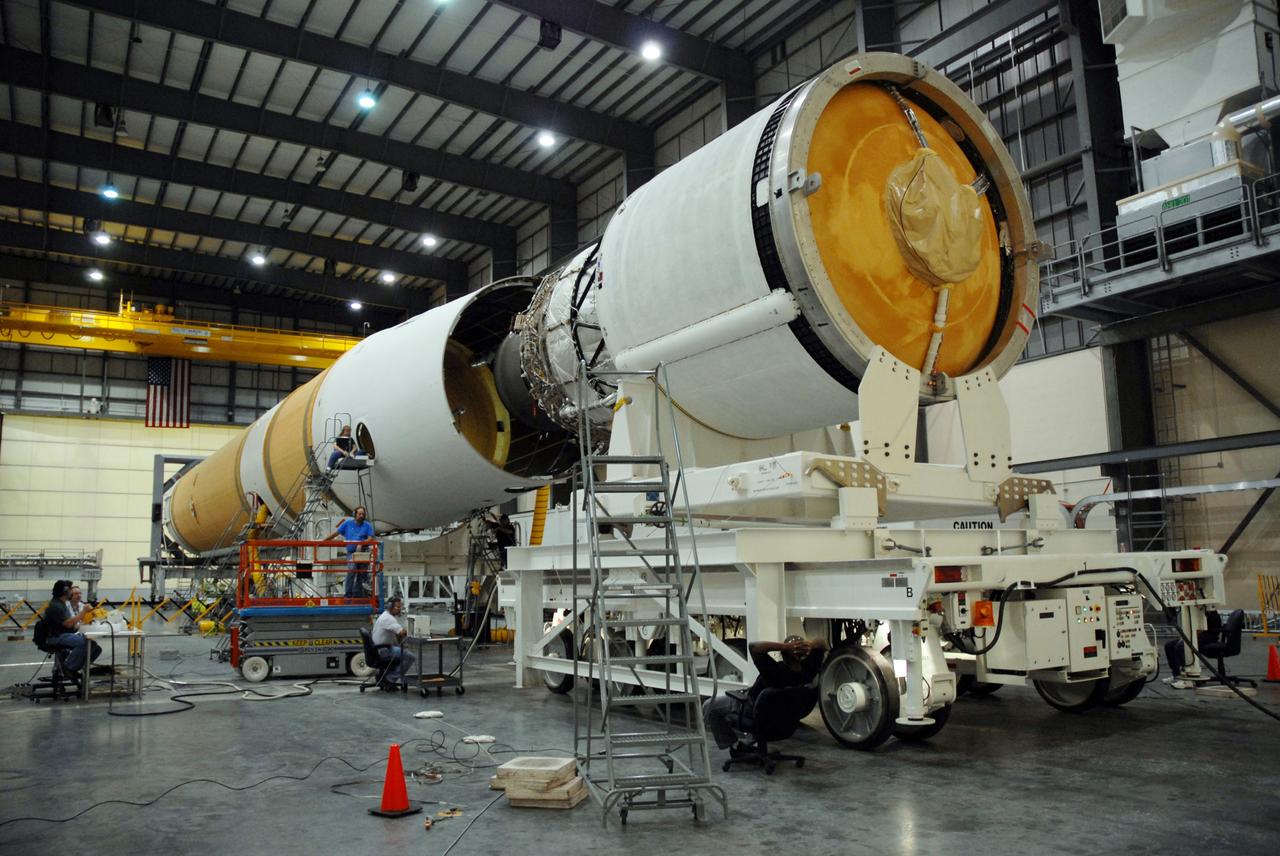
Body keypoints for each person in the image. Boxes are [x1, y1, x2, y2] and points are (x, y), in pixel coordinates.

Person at [702, 635, 827, 756]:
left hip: (751, 709)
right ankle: (753, 742)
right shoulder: (809, 671)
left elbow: (753, 647)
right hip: (784, 720)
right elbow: (821, 642)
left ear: (783, 654)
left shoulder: (775, 672)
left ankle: (735, 747)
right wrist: (808, 645)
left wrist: (785, 646)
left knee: (709, 706)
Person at [38, 580, 101, 674]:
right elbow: (68, 623)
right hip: (55, 636)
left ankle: (77, 668)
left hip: (64, 634)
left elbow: (72, 624)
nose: (72, 592)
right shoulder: (56, 606)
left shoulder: (61, 603)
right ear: (65, 591)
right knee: (84, 643)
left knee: (95, 647)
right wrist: (83, 612)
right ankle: (68, 668)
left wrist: (86, 626)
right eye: (71, 590)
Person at [326, 506, 375, 598]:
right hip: (351, 552)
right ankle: (348, 594)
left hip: (363, 552)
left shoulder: (367, 525)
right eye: (359, 514)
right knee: (352, 570)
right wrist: (324, 541)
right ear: (355, 514)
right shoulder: (348, 523)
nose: (361, 516)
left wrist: (361, 543)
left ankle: (358, 595)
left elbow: (370, 538)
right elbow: (336, 533)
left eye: (363, 514)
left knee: (361, 573)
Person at [371, 596, 415, 689]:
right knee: (410, 656)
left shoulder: (384, 615)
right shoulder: (388, 619)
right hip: (383, 650)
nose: (400, 609)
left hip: (379, 649)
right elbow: (401, 632)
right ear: (390, 607)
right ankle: (390, 679)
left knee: (401, 651)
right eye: (398, 607)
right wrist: (415, 628)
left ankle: (384, 677)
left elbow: (397, 634)